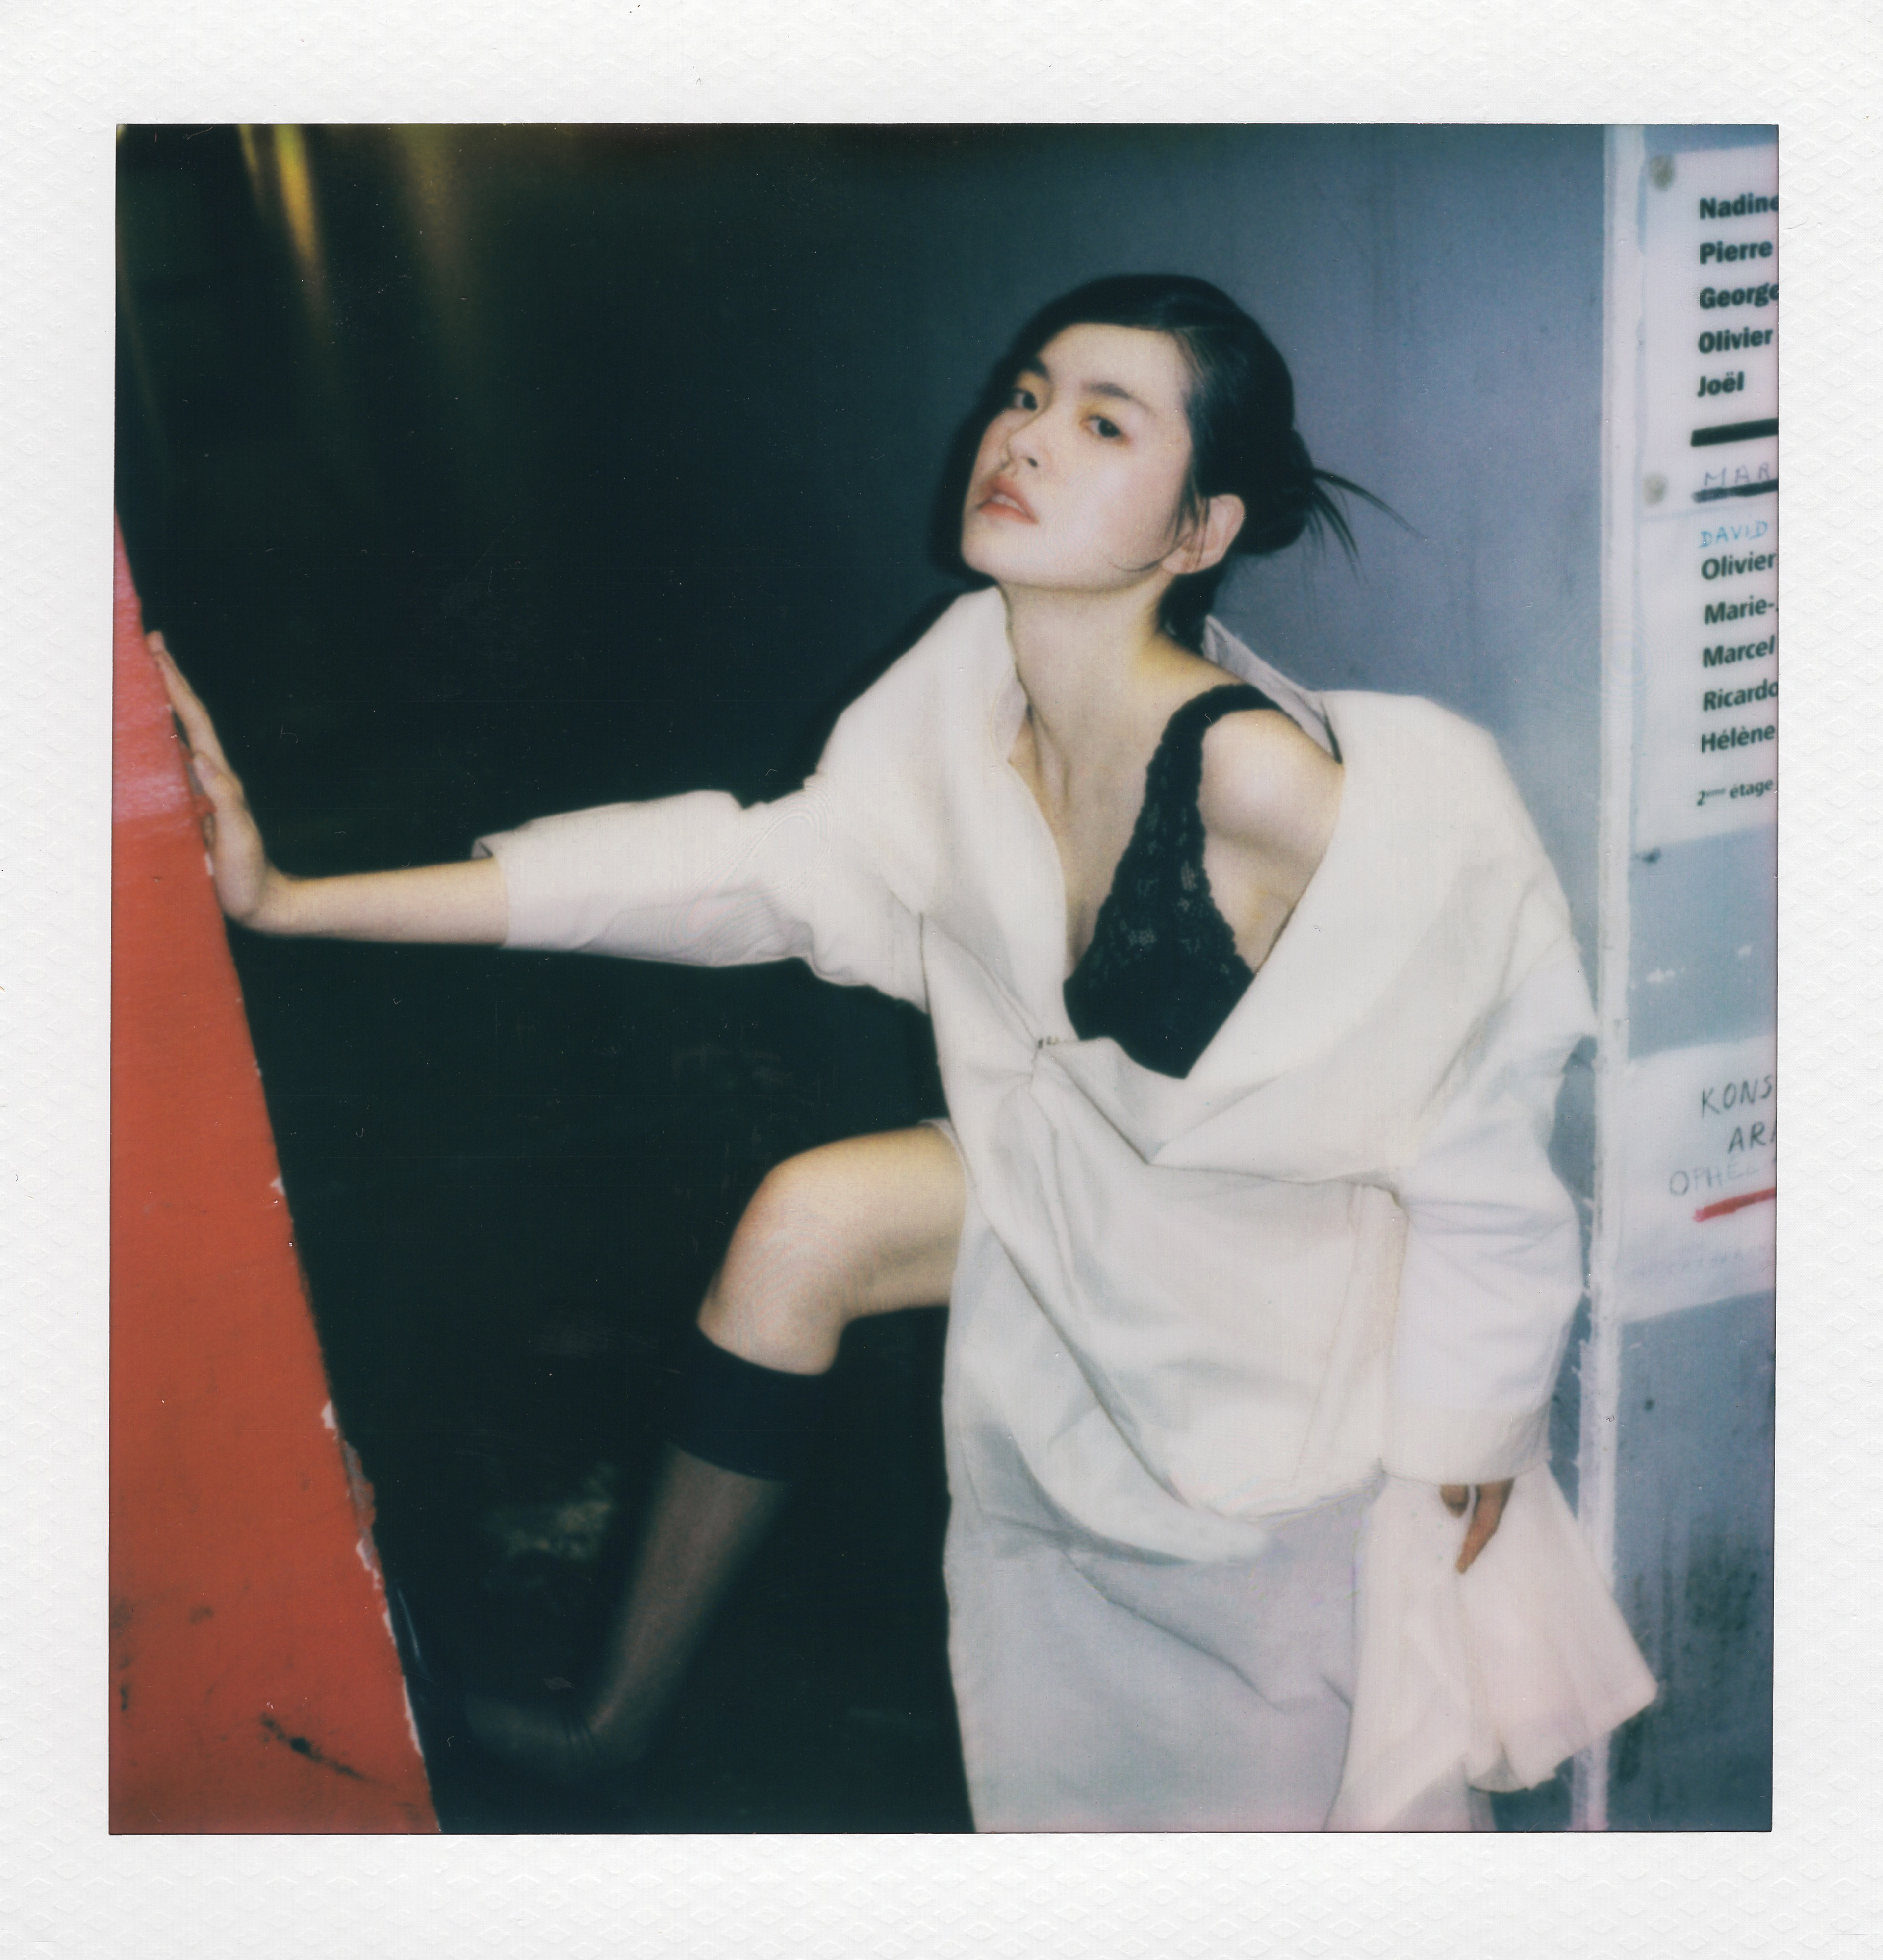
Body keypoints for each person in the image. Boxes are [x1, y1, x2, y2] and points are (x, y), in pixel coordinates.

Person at [151, 274, 1653, 1832]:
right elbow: (752, 871)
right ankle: (611, 1721)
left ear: (1198, 531)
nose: (1027, 437)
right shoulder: (964, 678)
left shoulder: (1259, 781)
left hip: (1277, 1301)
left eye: (1106, 425)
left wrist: (1471, 1428)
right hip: (1086, 1188)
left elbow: (1480, 1109)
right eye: (1027, 393)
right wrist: (297, 898)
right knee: (808, 1224)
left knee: (1270, 1796)